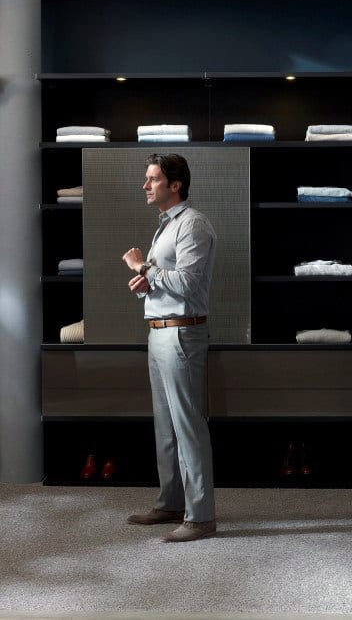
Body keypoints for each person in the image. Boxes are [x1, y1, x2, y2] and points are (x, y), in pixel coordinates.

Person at [122, 152, 217, 543]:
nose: (146, 186)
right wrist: (147, 283)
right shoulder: (166, 225)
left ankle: (201, 517)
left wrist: (143, 268)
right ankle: (171, 503)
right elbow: (169, 281)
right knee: (166, 427)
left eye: (153, 179)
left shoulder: (193, 225)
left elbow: (189, 284)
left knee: (188, 426)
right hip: (159, 331)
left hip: (181, 335)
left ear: (175, 184)